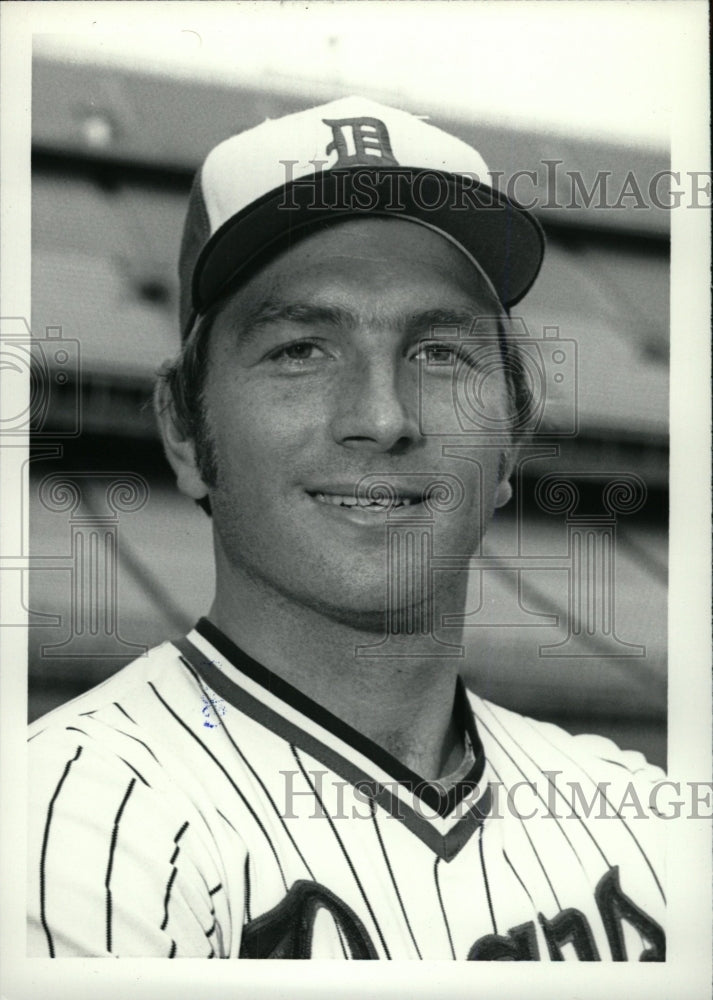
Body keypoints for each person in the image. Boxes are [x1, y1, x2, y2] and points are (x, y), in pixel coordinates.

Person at [27, 97, 666, 960]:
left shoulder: (638, 815)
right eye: (300, 350)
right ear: (183, 428)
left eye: (440, 351)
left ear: (511, 437)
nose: (381, 416)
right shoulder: (66, 822)